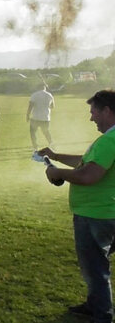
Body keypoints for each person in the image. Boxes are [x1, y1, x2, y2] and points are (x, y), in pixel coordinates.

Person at [39, 89, 115, 323]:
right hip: (105, 212)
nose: (91, 117)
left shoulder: (109, 140)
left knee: (95, 267)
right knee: (96, 264)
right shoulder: (109, 140)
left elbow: (88, 175)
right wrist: (56, 156)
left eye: (94, 112)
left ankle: (102, 314)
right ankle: (94, 304)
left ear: (107, 111)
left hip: (96, 214)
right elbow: (88, 162)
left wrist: (56, 172)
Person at [27, 82, 55, 151]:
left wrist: (27, 115)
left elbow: (31, 105)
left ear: (37, 87)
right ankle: (51, 143)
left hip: (35, 118)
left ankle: (35, 146)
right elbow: (52, 106)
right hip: (46, 117)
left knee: (33, 132)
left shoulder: (34, 95)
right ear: (44, 87)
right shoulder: (49, 95)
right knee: (46, 131)